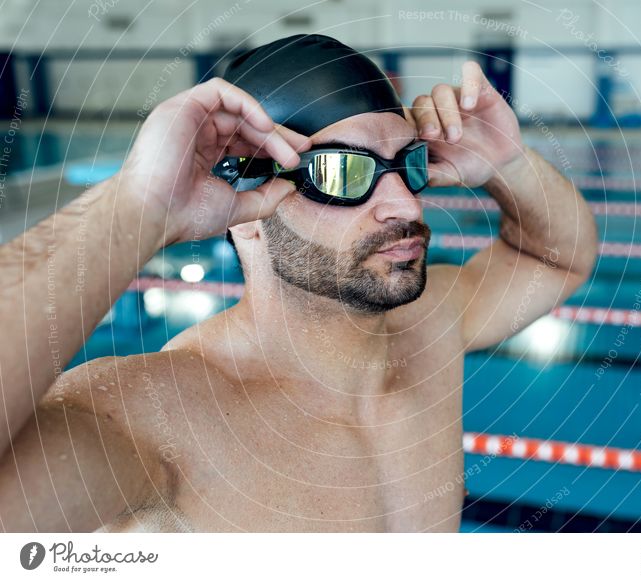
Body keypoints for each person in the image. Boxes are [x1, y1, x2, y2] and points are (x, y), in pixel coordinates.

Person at [0, 34, 596, 532]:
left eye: (408, 164)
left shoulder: (427, 326)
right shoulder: (157, 416)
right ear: (249, 210)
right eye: (343, 170)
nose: (403, 204)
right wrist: (135, 210)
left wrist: (509, 165)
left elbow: (557, 258)